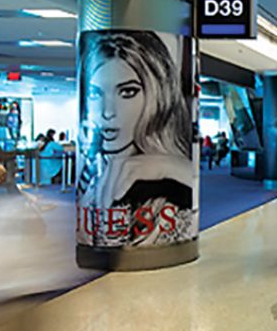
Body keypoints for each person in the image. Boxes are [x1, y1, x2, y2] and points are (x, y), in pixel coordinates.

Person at [77, 31, 195, 248]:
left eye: (127, 92)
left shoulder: (176, 184)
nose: (108, 112)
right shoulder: (90, 179)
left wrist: (170, 167)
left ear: (156, 98)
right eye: (95, 94)